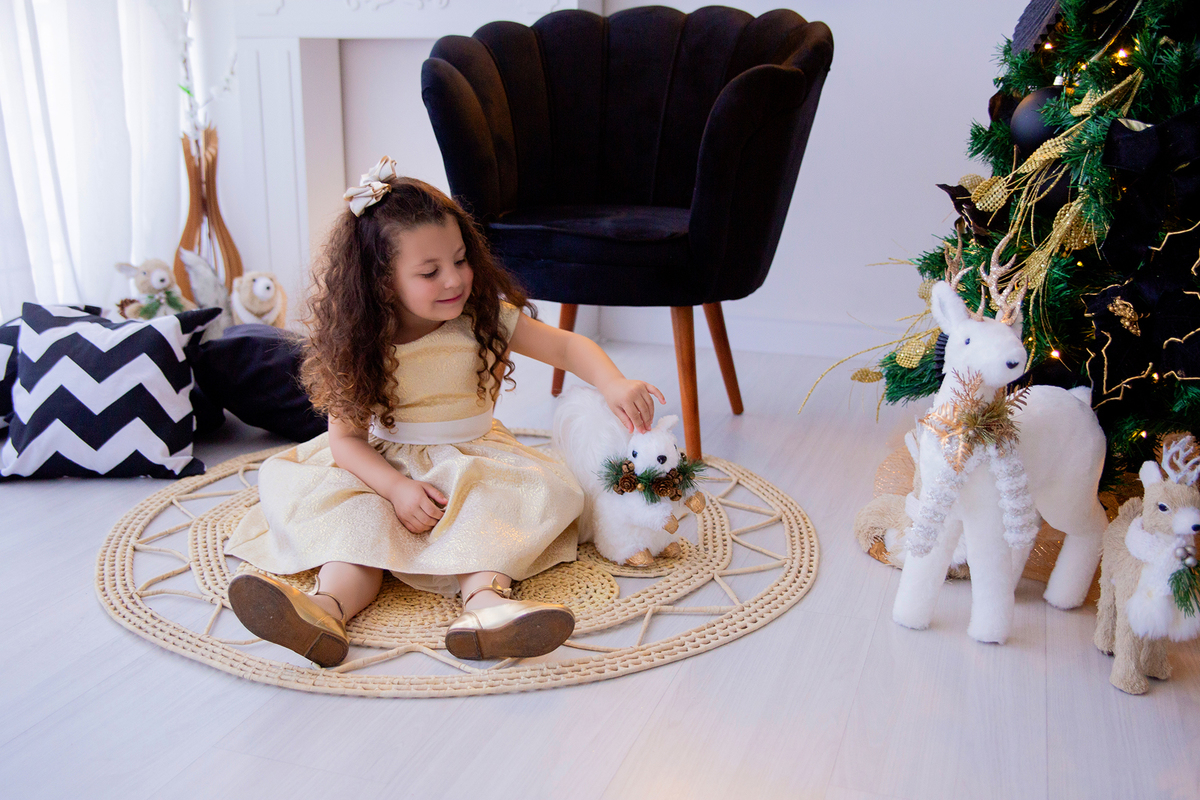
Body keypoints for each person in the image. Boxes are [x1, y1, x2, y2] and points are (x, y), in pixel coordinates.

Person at [225, 158, 665, 667]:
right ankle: (322, 611)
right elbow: (345, 443)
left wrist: (613, 381)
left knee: (487, 516)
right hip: (384, 469)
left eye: (460, 259)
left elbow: (567, 349)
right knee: (356, 525)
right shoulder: (361, 342)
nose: (454, 279)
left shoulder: (485, 318)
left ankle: (485, 608)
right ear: (381, 281)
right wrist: (395, 488)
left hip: (473, 459)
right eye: (430, 272)